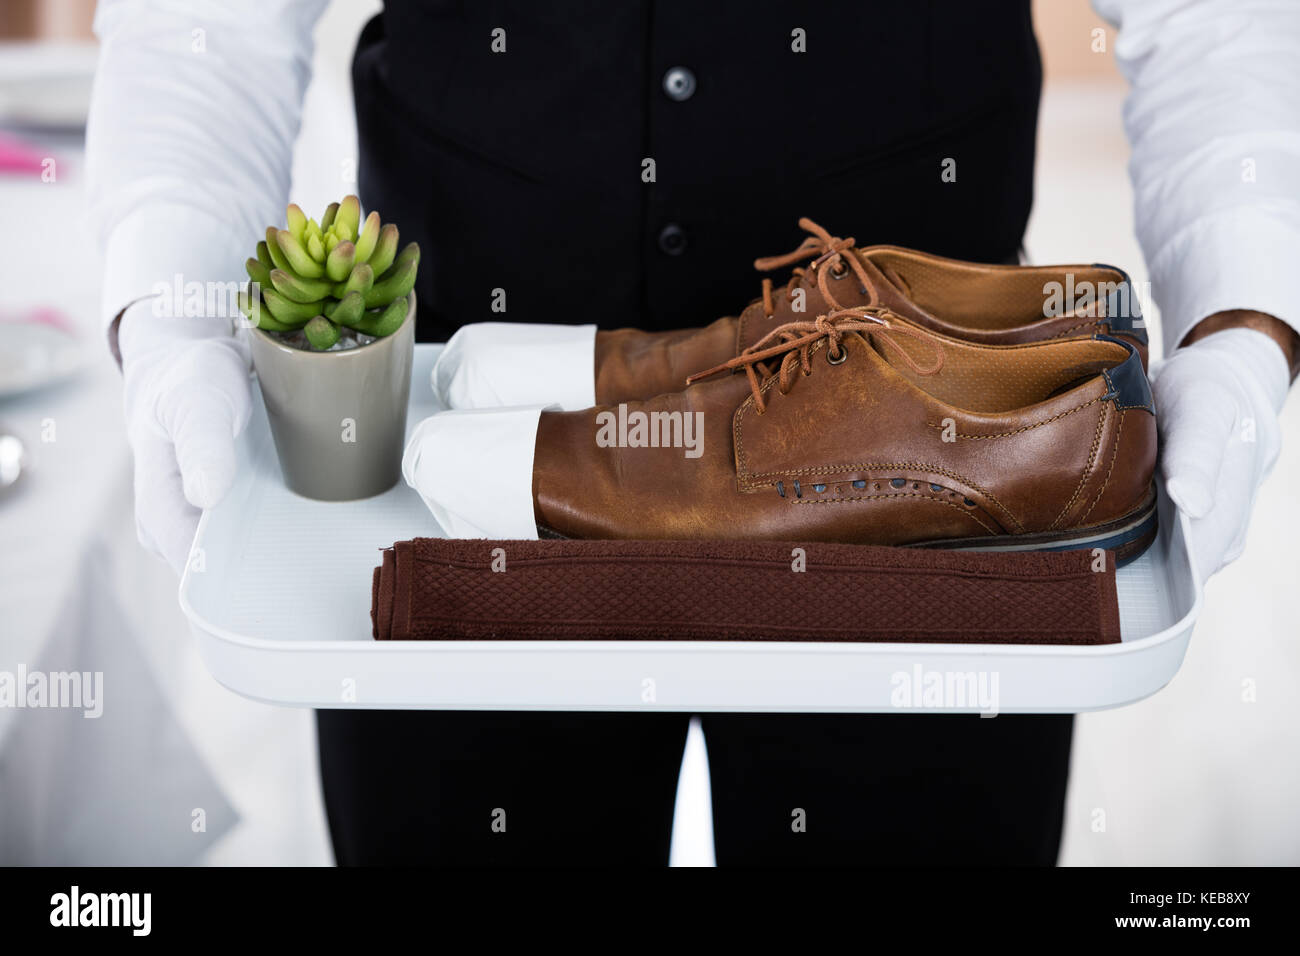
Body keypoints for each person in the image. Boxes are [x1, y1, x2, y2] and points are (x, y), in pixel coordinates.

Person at [85, 0, 1299, 865]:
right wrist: (173, 318)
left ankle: (1025, 418)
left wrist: (1244, 324)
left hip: (931, 519)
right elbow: (207, 25)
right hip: (453, 474)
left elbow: (1210, 17)